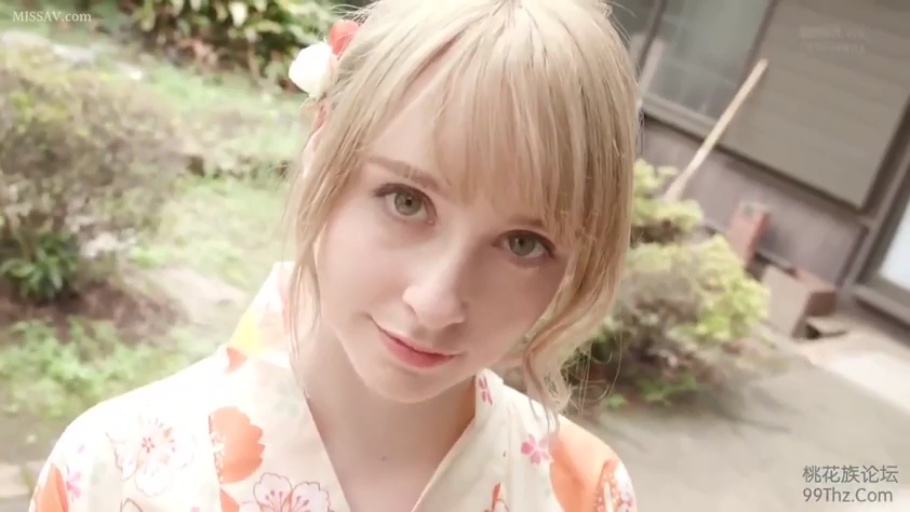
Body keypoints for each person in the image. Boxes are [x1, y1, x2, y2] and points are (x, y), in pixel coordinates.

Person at [28, 0, 640, 510]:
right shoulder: (113, 468)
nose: (435, 302)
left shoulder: (588, 493)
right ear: (321, 146)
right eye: (406, 201)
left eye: (524, 243)